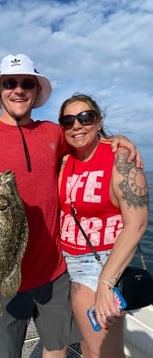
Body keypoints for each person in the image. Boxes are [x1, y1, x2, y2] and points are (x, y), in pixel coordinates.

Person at [0, 54, 141, 358]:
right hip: (4, 276)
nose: (18, 90)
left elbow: (84, 141)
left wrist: (118, 140)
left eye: (27, 83)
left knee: (56, 349)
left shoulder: (52, 132)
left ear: (36, 92)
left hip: (55, 273)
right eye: (10, 83)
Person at [58, 93, 149, 358]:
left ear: (99, 121)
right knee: (87, 345)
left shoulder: (120, 159)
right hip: (63, 262)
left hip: (98, 266)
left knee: (103, 353)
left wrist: (105, 283)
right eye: (68, 120)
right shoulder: (64, 161)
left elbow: (137, 224)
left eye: (86, 117)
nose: (77, 125)